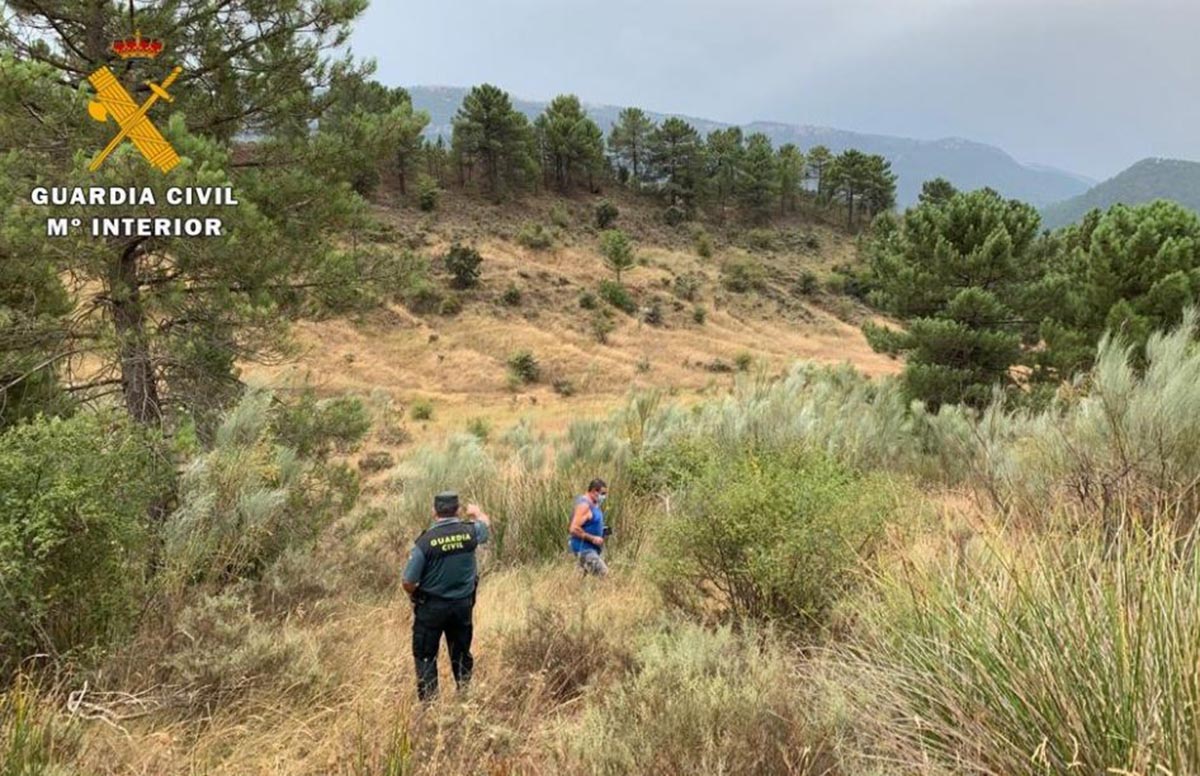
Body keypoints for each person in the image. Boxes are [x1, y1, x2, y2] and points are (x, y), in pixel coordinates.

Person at [401, 491, 491, 701]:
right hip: (462, 606)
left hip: (431, 608)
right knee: (461, 653)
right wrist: (477, 513)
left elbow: (408, 582)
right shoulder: (470, 533)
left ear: (434, 512)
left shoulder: (425, 542)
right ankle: (465, 696)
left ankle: (430, 707)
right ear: (458, 510)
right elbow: (485, 526)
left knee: (425, 656)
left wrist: (415, 595)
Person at [568, 478, 609, 577]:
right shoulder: (584, 505)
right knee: (604, 574)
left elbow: (589, 523)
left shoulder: (594, 504)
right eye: (602, 494)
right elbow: (573, 529)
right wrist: (593, 538)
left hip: (592, 549)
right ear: (594, 491)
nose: (604, 497)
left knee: (580, 581)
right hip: (584, 549)